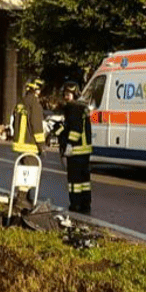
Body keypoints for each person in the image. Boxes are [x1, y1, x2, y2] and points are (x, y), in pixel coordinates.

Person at [57, 81, 93, 214]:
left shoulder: (74, 108)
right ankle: (85, 204)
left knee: (74, 181)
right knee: (84, 180)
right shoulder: (82, 107)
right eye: (65, 94)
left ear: (75, 94)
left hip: (76, 150)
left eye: (68, 94)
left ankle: (75, 204)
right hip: (84, 150)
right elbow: (73, 126)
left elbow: (75, 130)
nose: (66, 97)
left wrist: (69, 144)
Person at [10, 78, 46, 155]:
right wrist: (41, 146)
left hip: (19, 145)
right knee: (32, 167)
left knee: (22, 166)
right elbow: (37, 126)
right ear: (37, 90)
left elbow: (14, 123)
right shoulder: (34, 104)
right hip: (30, 145)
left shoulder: (20, 102)